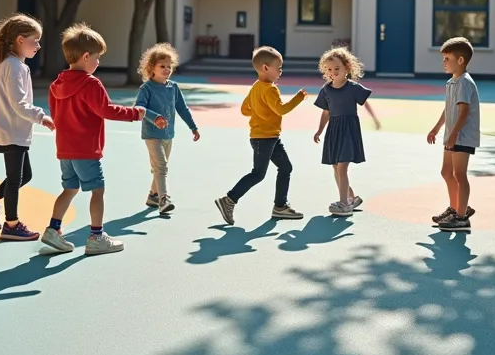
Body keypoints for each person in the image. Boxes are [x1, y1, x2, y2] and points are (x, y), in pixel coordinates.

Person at [41, 24, 145, 256]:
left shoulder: (56, 84)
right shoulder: (91, 83)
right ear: (86, 56)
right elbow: (106, 110)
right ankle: (96, 237)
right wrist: (135, 114)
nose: (98, 62)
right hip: (86, 149)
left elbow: (56, 114)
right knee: (97, 191)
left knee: (69, 189)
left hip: (65, 149)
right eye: (97, 57)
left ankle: (53, 229)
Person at [0, 14, 56, 241]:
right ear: (20, 40)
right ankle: (12, 224)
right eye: (34, 41)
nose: (38, 46)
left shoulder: (13, 64)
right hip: (11, 131)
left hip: (13, 130)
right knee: (15, 177)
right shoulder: (13, 66)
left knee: (22, 175)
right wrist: (41, 116)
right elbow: (18, 103)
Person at [214, 46, 307, 225]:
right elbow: (281, 110)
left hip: (269, 137)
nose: (281, 71)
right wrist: (298, 98)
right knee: (258, 174)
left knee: (285, 167)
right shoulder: (270, 89)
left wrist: (259, 113)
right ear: (265, 68)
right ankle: (229, 200)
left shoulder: (255, 87)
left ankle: (280, 206)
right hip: (263, 138)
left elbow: (244, 109)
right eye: (278, 68)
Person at [312, 47, 380, 216]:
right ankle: (351, 198)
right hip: (334, 130)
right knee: (335, 167)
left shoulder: (353, 88)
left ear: (347, 68)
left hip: (349, 130)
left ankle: (344, 204)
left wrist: (374, 119)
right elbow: (326, 112)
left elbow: (366, 102)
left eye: (337, 69)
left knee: (342, 168)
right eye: (329, 69)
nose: (333, 72)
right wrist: (319, 130)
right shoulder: (326, 90)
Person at [134, 43, 200, 215]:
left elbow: (183, 109)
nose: (166, 69)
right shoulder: (146, 88)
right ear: (151, 68)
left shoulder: (173, 87)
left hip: (168, 135)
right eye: (162, 66)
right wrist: (155, 117)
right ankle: (164, 199)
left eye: (169, 67)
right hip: (152, 134)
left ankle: (153, 196)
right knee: (161, 166)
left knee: (159, 167)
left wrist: (193, 127)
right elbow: (139, 108)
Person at [427, 37, 481, 232]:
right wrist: (436, 128)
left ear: (460, 60)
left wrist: (453, 134)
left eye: (447, 58)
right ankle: (455, 208)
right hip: (452, 135)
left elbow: (464, 111)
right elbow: (448, 109)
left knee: (459, 174)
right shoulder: (452, 82)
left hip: (462, 137)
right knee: (446, 172)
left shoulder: (465, 83)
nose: (443, 62)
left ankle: (461, 216)